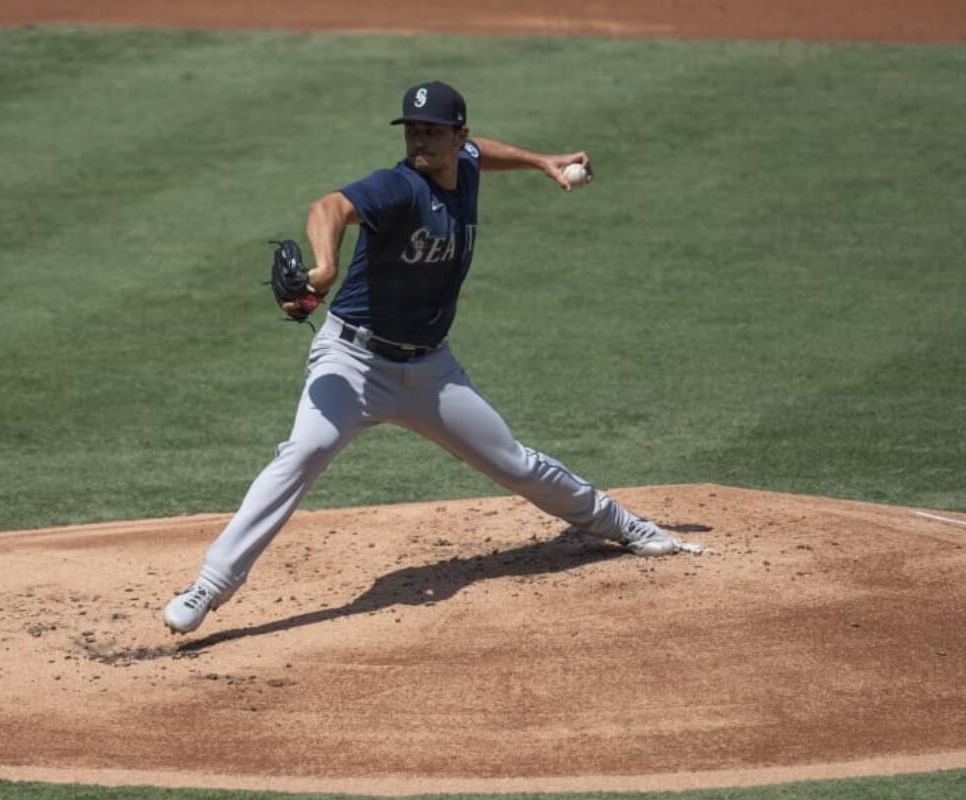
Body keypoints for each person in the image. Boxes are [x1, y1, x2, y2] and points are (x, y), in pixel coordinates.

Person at [164, 80, 700, 635]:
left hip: (430, 371)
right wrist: (325, 267)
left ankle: (621, 525)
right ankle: (211, 584)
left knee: (513, 462)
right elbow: (328, 206)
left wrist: (541, 161)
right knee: (300, 454)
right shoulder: (398, 188)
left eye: (432, 131)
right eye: (413, 130)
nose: (419, 140)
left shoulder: (464, 163)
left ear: (456, 134)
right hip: (352, 363)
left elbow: (480, 153)